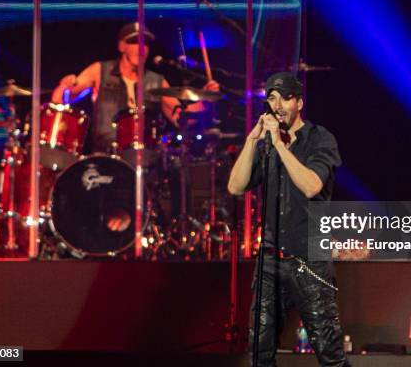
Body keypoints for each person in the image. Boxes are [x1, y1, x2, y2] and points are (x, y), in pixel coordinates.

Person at [227, 72, 350, 366]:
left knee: (329, 352)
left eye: (284, 97)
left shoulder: (320, 139)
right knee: (259, 350)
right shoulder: (265, 144)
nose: (277, 104)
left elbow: (311, 186)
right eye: (271, 97)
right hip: (270, 259)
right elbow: (235, 186)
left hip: (309, 259)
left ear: (299, 102)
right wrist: (252, 140)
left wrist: (281, 146)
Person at [51, 22, 218, 232]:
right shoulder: (99, 70)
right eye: (134, 42)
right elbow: (61, 99)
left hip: (146, 157)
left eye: (146, 44)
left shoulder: (157, 81)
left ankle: (175, 231)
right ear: (121, 46)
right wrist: (65, 86)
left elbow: (181, 117)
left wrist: (206, 99)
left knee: (177, 167)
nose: (141, 48)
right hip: (105, 153)